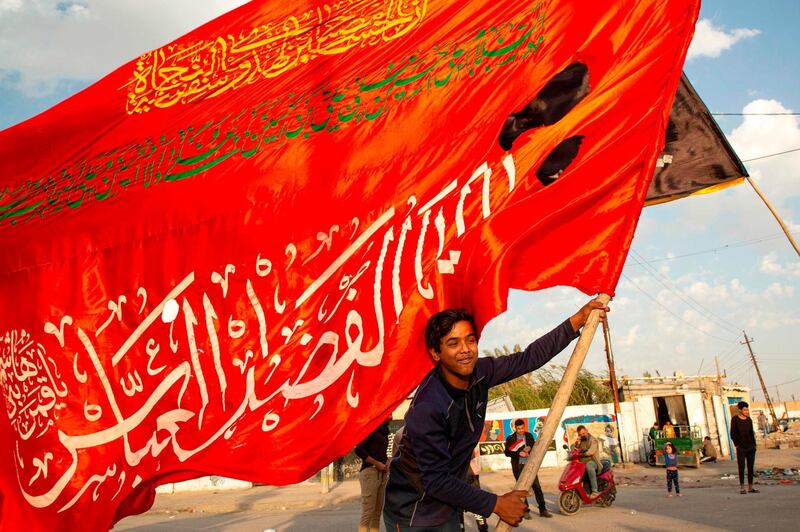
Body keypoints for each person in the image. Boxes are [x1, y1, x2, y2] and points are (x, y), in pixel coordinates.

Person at [383, 299, 608, 530]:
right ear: (436, 352)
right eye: (453, 343)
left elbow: (528, 358)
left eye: (470, 340)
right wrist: (497, 504)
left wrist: (578, 320)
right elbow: (436, 480)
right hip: (413, 514)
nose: (465, 350)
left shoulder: (481, 372)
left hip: (446, 505)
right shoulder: (429, 406)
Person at [503, 419, 552, 519]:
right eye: (518, 429)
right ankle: (525, 511)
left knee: (537, 488)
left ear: (524, 427)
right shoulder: (511, 438)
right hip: (518, 467)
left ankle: (543, 510)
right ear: (515, 428)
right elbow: (507, 452)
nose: (520, 430)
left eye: (522, 428)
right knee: (521, 490)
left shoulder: (529, 436)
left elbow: (535, 448)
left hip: (530, 466)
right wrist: (518, 453)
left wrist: (529, 450)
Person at [355, 418, 391, 532]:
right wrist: (376, 463)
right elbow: (359, 450)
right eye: (389, 413)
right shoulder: (370, 429)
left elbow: (379, 452)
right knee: (368, 512)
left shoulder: (383, 431)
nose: (391, 415)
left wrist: (387, 461)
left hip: (381, 474)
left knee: (377, 512)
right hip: (370, 473)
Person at [730, 401, 759, 495]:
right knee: (741, 467)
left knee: (750, 467)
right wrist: (737, 445)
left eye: (747, 409)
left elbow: (751, 432)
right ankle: (742, 487)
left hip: (751, 447)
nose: (747, 411)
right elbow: (732, 434)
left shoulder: (749, 420)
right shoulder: (735, 420)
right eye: (745, 409)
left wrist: (754, 445)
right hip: (741, 448)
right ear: (740, 410)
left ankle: (750, 487)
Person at [571, 425, 601, 495]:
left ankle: (595, 491)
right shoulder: (580, 441)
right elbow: (573, 449)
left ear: (586, 431)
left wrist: (583, 454)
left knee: (589, 465)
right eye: (580, 434)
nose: (582, 435)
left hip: (594, 462)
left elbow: (591, 451)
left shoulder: (593, 440)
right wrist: (577, 444)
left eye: (583, 433)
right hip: (582, 462)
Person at [465, 447, 489, 532]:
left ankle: (483, 528)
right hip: (456, 477)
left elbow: (473, 454)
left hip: (471, 476)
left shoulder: (468, 439)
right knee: (457, 510)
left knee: (476, 505)